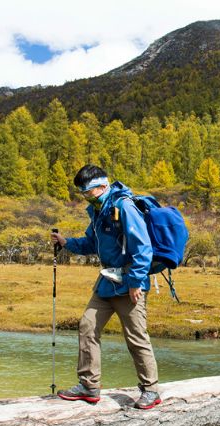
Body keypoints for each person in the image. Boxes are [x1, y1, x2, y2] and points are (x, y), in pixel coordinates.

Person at [51, 164, 161, 409]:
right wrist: (66, 242)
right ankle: (89, 386)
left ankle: (151, 390)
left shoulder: (124, 207)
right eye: (81, 193)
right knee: (87, 326)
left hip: (130, 283)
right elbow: (93, 243)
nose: (85, 196)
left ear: (102, 186)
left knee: (135, 337)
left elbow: (143, 249)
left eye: (87, 191)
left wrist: (135, 283)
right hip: (106, 283)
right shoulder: (98, 210)